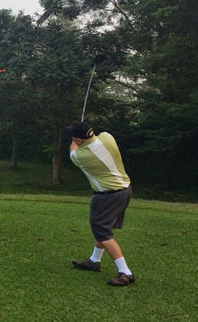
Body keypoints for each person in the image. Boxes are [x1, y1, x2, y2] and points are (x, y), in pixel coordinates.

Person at [64, 122, 135, 286]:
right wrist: (78, 135)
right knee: (101, 227)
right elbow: (87, 139)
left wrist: (74, 140)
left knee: (102, 232)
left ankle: (126, 272)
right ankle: (94, 261)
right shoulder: (107, 138)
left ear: (79, 140)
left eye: (73, 137)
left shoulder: (81, 156)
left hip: (108, 196)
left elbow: (72, 150)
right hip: (124, 190)